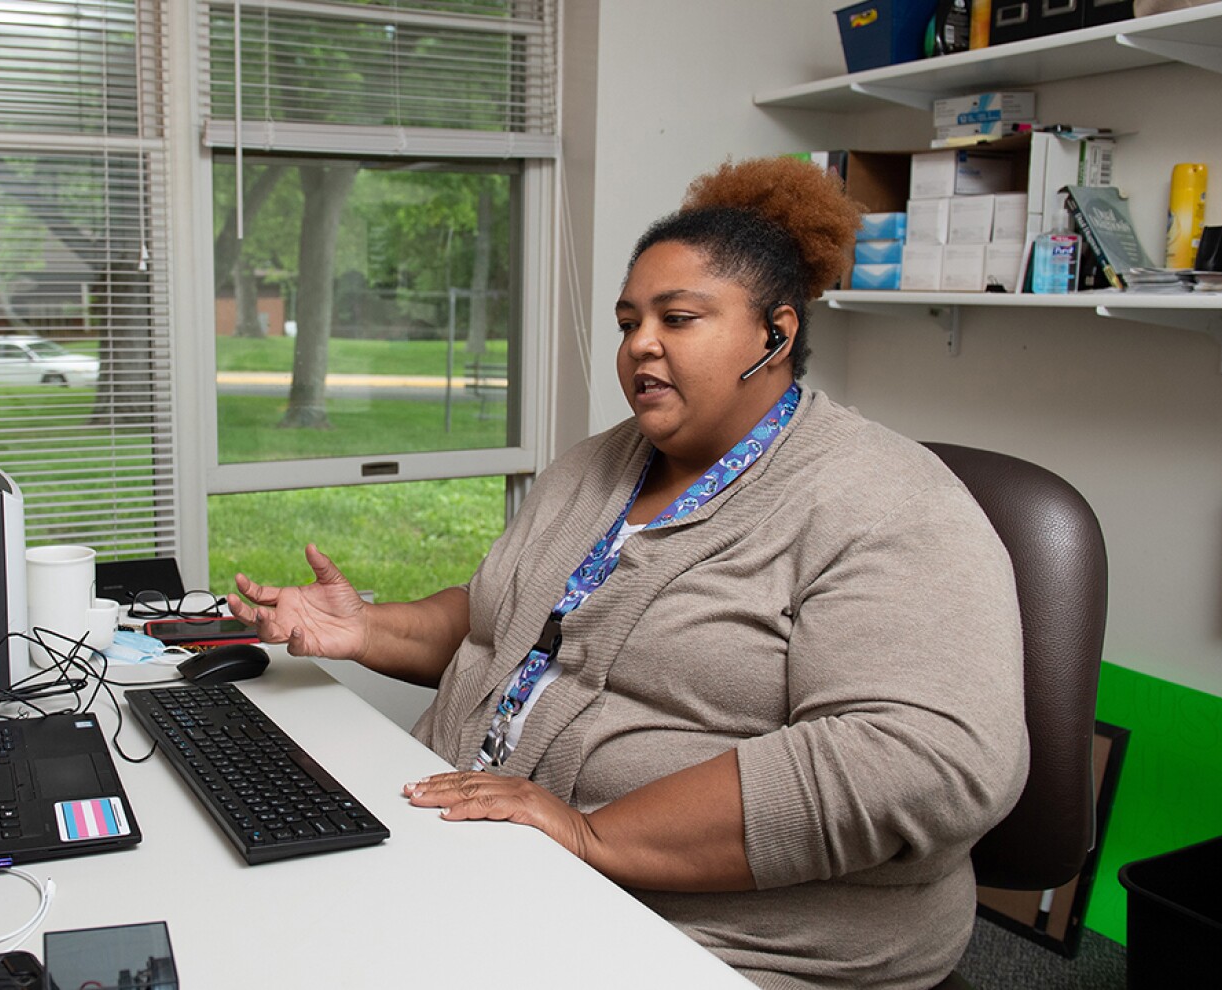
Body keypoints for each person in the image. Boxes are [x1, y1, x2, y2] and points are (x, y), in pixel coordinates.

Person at [227, 156, 1028, 990]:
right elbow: (505, 627)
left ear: (775, 334)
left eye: (678, 318)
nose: (640, 342)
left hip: (709, 937)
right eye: (628, 321)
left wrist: (589, 834)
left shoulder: (885, 501)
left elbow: (923, 762)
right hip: (479, 854)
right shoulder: (593, 469)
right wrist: (367, 628)